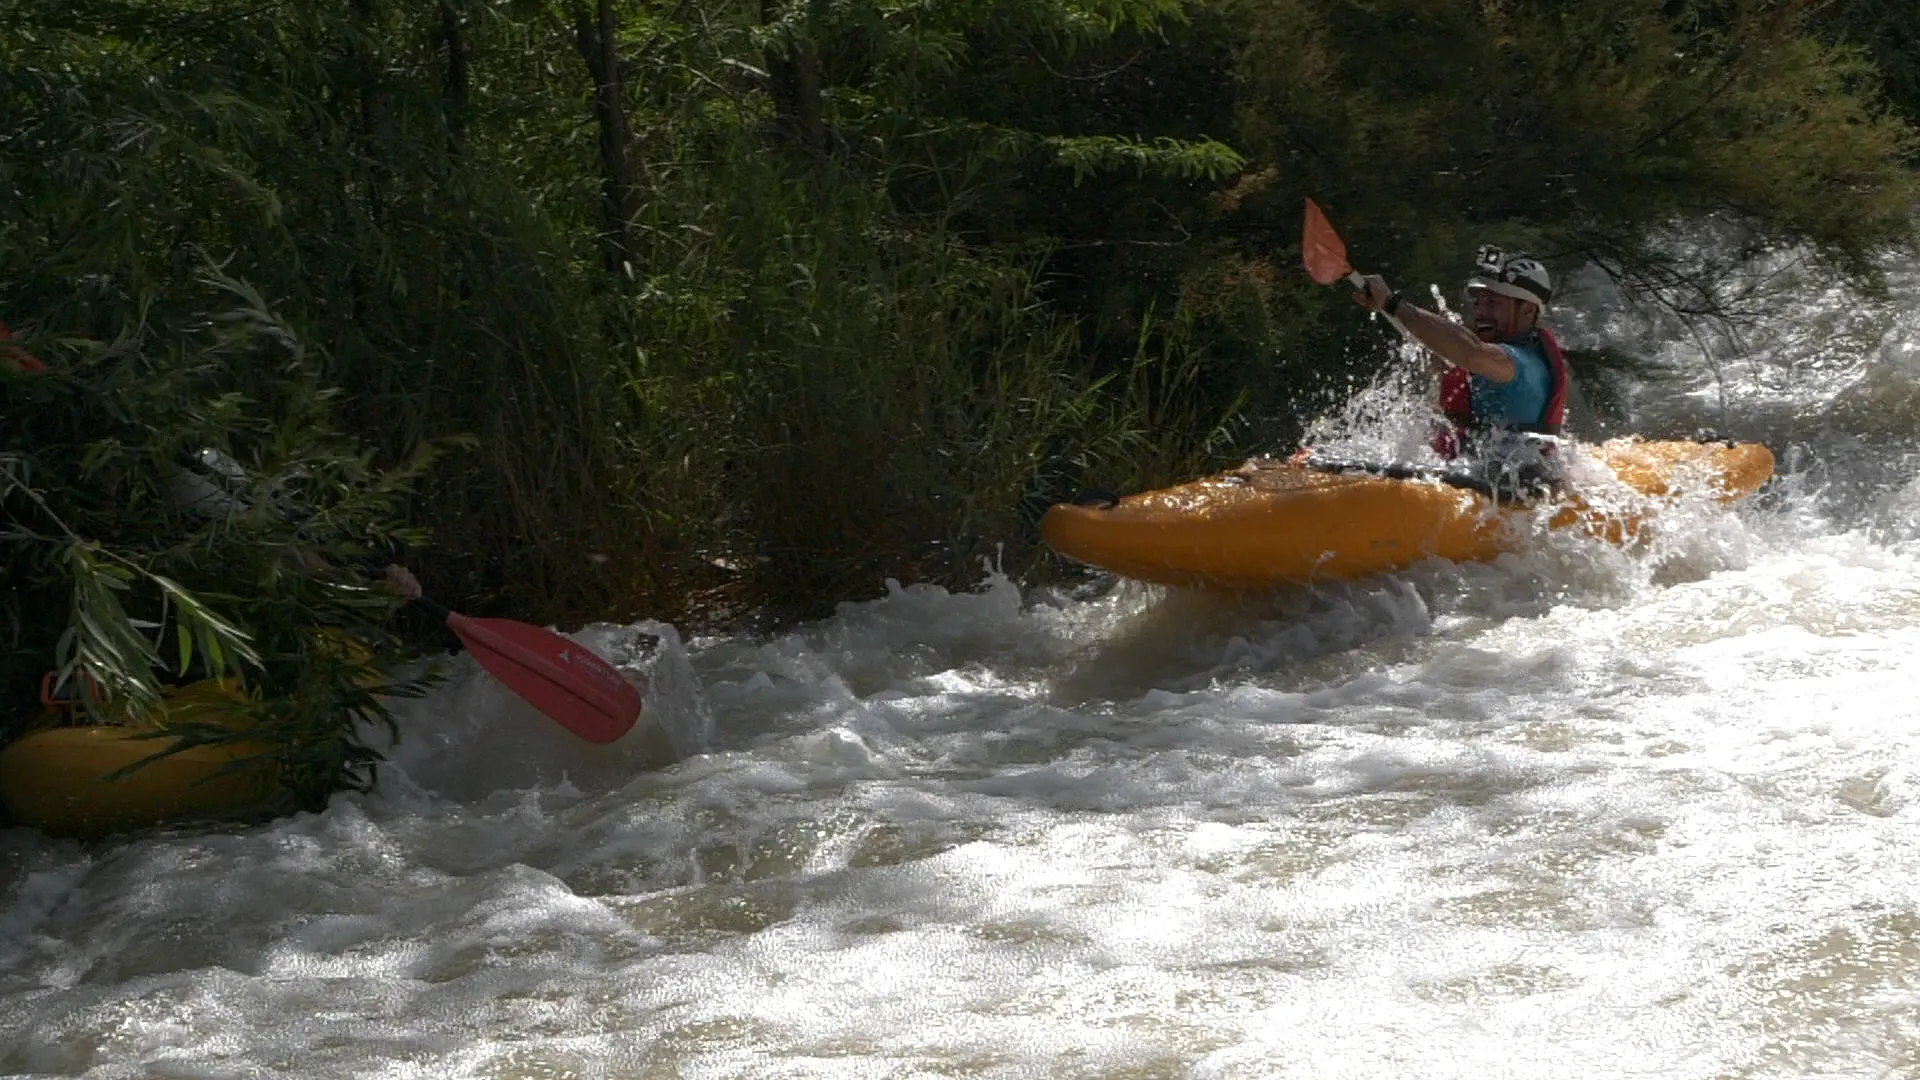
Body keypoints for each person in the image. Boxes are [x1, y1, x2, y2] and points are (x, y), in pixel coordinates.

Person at [1350, 245, 1570, 495]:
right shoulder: (1493, 361)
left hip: (1518, 494)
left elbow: (1471, 352)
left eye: (1492, 303)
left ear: (1528, 309)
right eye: (1478, 302)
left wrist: (1393, 303)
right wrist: (1388, 309)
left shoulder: (1522, 363)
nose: (1480, 312)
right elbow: (1446, 349)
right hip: (1485, 481)